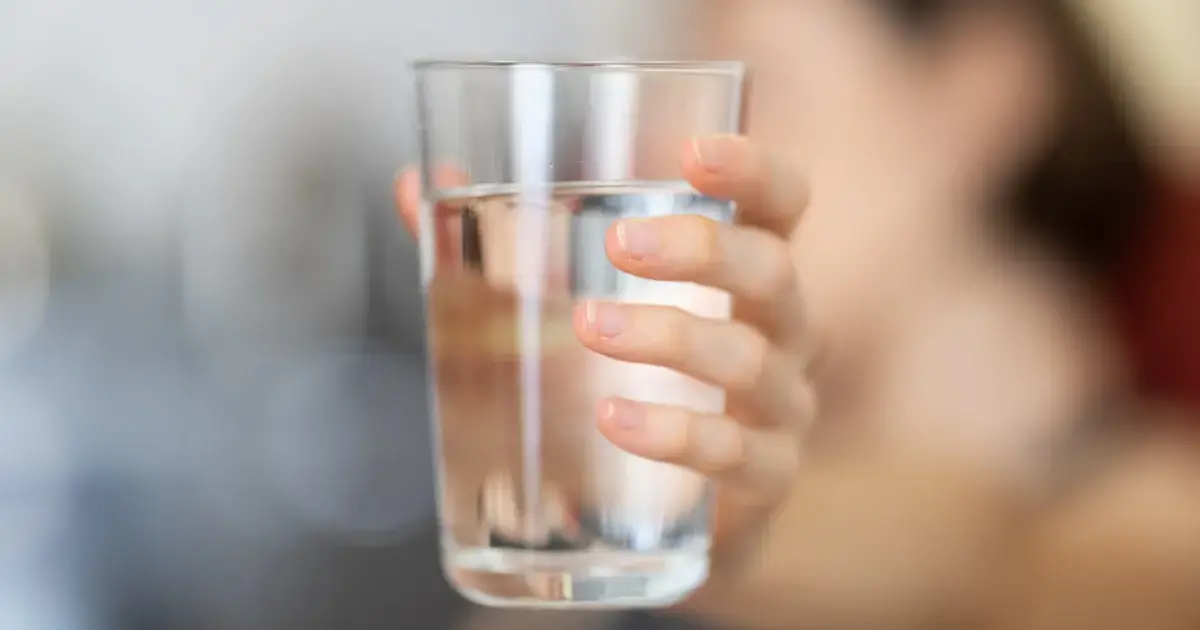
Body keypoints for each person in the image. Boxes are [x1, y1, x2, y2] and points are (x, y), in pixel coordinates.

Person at [396, 1, 1199, 627]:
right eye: (665, 100)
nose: (667, 151)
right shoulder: (681, 497)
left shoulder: (1147, 518)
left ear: (980, 89)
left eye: (759, 86)